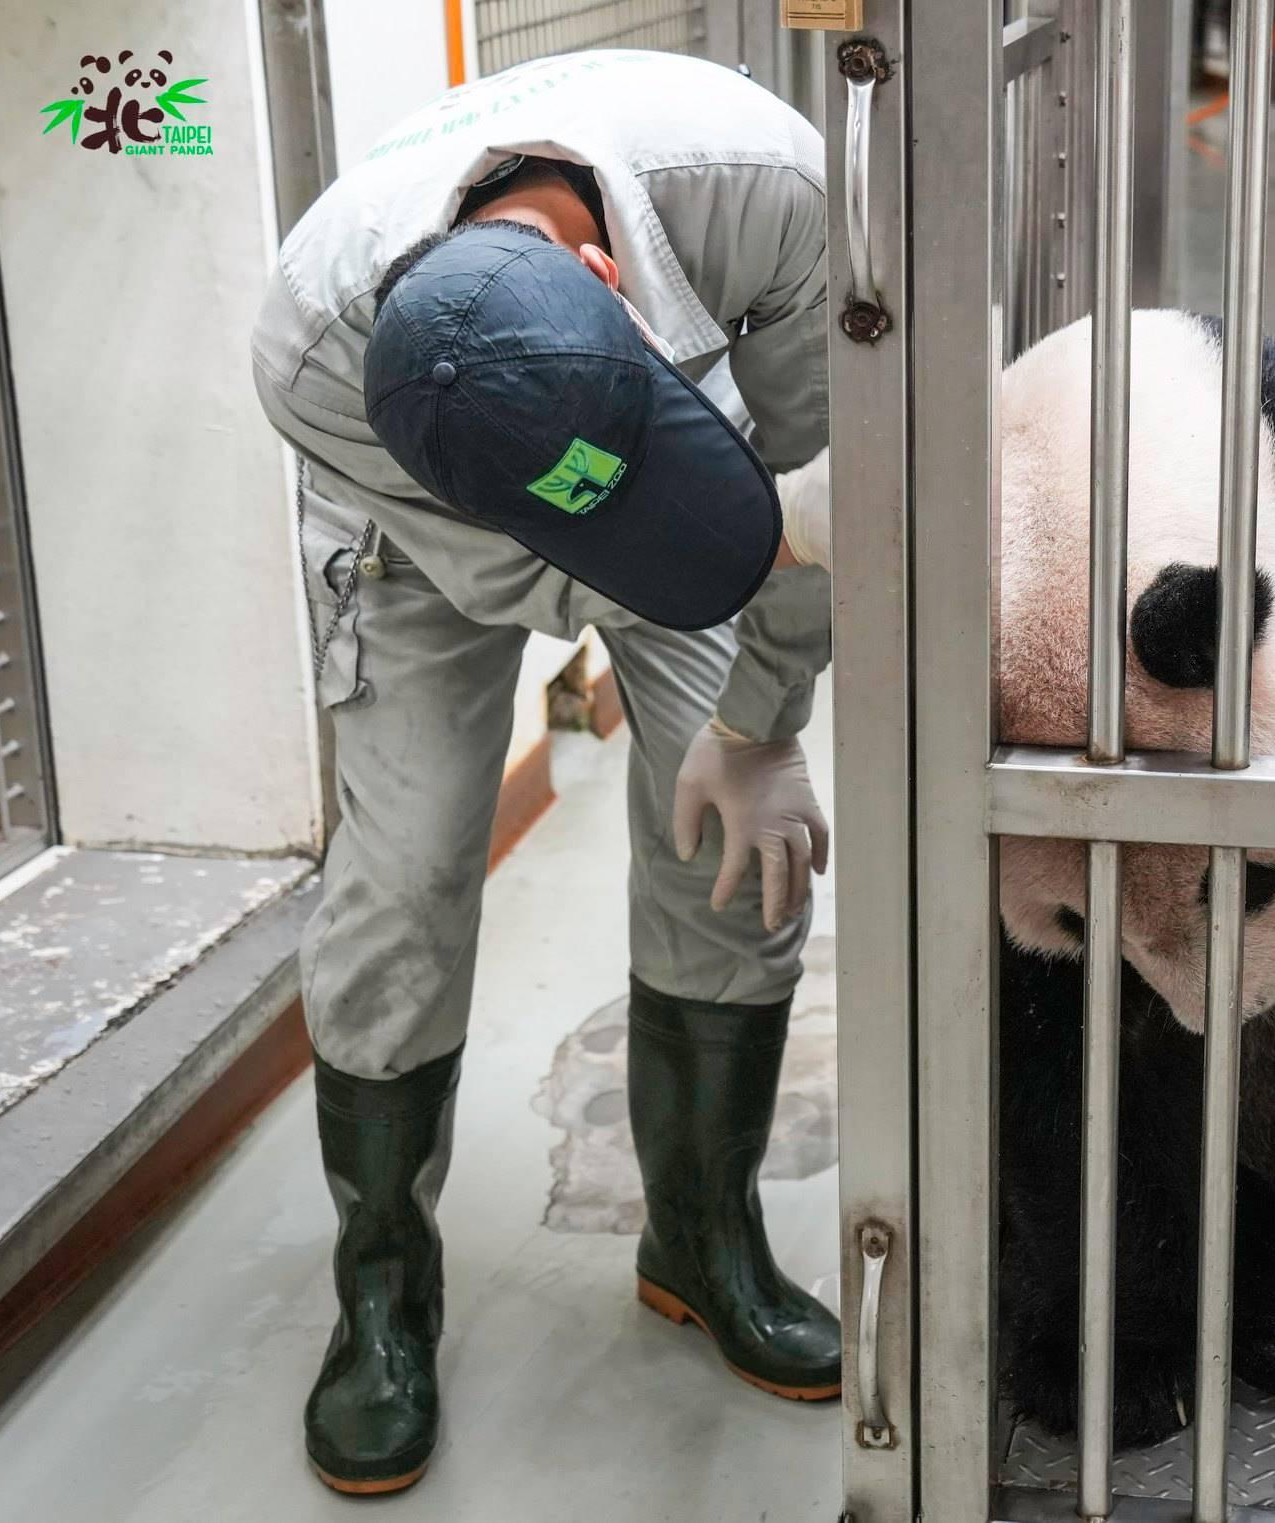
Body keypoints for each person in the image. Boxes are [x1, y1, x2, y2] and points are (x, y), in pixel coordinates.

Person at [250, 49, 838, 1496]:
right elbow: (530, 569)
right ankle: (385, 1297)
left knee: (730, 854)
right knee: (405, 881)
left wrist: (763, 720)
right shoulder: (308, 351)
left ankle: (702, 1237)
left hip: (687, 454)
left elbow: (827, 476)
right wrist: (613, 592)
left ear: (607, 274)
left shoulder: (766, 195)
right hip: (416, 530)